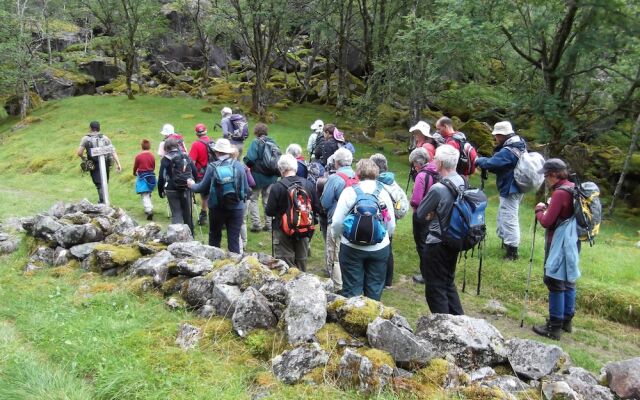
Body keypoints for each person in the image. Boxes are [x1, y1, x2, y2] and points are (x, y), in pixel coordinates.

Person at [331, 159, 395, 300]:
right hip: (379, 248)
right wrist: (384, 238)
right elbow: (391, 224)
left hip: (351, 247)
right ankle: (373, 318)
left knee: (351, 290)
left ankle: (352, 318)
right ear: (376, 174)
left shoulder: (349, 192)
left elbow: (336, 222)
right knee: (374, 290)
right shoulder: (384, 193)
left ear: (357, 174)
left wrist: (337, 236)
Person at [532, 159, 580, 340]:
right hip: (573, 240)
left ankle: (554, 327)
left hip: (558, 242)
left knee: (553, 281)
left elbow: (546, 222)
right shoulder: (573, 187)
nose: (545, 179)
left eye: (545, 175)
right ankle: (567, 321)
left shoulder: (560, 193)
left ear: (553, 174)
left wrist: (539, 210)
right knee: (568, 279)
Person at [416, 144, 465, 315]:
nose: (433, 160)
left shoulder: (438, 188)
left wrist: (433, 213)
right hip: (454, 239)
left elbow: (421, 213)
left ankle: (444, 327)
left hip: (436, 242)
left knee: (435, 288)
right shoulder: (462, 181)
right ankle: (460, 321)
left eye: (436, 158)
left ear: (441, 163)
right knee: (448, 282)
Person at [476, 121, 526, 260]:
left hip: (511, 188)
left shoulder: (508, 151)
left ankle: (512, 252)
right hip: (516, 186)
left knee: (509, 219)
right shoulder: (519, 143)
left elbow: (492, 163)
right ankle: (506, 244)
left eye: (497, 135)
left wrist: (479, 161)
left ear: (502, 135)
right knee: (504, 216)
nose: (495, 138)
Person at [188, 139, 249, 253]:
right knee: (234, 239)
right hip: (237, 207)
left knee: (215, 237)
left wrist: (191, 185)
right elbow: (245, 189)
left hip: (217, 208)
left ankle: (214, 263)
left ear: (216, 152)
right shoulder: (239, 166)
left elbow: (202, 188)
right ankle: (234, 266)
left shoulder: (212, 167)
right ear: (229, 152)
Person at [265, 154, 320, 271]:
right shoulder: (308, 185)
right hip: (304, 229)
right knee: (301, 261)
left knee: (285, 264)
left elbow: (269, 211)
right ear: (295, 168)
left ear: (281, 169)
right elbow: (317, 208)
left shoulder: (277, 187)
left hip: (282, 230)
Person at [320, 148, 357, 292]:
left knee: (334, 254)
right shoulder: (357, 176)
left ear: (336, 162)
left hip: (338, 221)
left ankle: (337, 288)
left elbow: (325, 202)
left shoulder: (335, 178)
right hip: (355, 222)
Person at [370, 153, 409, 289]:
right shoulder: (392, 181)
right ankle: (388, 281)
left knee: (379, 250)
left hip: (380, 222)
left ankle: (377, 279)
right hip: (391, 221)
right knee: (389, 250)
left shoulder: (378, 183)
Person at [409, 147, 438, 284]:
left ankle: (426, 274)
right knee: (430, 242)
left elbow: (416, 200)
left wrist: (412, 205)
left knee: (422, 244)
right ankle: (432, 271)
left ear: (417, 163)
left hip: (421, 214)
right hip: (434, 213)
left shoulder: (421, 175)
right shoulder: (435, 171)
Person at [243, 123, 279, 232]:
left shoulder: (255, 142)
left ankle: (256, 224)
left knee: (253, 199)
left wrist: (245, 162)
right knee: (267, 199)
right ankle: (269, 225)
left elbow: (251, 158)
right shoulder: (272, 141)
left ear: (256, 132)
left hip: (258, 176)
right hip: (272, 176)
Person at [76, 120, 122, 204]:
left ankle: (103, 202)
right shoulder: (105, 138)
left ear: (90, 128)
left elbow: (79, 152)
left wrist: (84, 158)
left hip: (93, 163)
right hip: (105, 163)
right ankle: (104, 201)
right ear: (99, 128)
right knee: (104, 182)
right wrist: (118, 164)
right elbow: (113, 151)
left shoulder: (86, 138)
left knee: (98, 183)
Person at [158, 138, 196, 234]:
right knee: (188, 214)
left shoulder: (165, 159)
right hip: (186, 187)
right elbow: (194, 171)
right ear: (177, 146)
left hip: (171, 189)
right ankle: (191, 236)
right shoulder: (185, 156)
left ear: (166, 147)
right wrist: (195, 185)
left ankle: (176, 237)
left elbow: (161, 177)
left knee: (176, 214)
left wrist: (160, 190)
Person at [232, 146, 255, 252]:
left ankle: (239, 244)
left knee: (235, 222)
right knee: (243, 221)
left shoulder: (229, 167)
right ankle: (244, 243)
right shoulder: (244, 166)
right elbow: (252, 183)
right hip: (246, 197)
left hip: (235, 198)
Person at [189, 123, 213, 226]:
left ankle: (203, 215)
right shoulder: (212, 142)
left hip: (201, 173)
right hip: (214, 172)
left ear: (196, 133)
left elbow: (192, 162)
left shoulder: (196, 145)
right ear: (206, 131)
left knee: (204, 196)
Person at [133, 139, 156, 220]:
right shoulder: (152, 156)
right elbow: (153, 166)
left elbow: (135, 166)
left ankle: (148, 209)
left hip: (142, 177)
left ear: (141, 146)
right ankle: (150, 206)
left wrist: (134, 172)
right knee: (148, 192)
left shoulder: (138, 156)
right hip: (151, 176)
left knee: (144, 194)